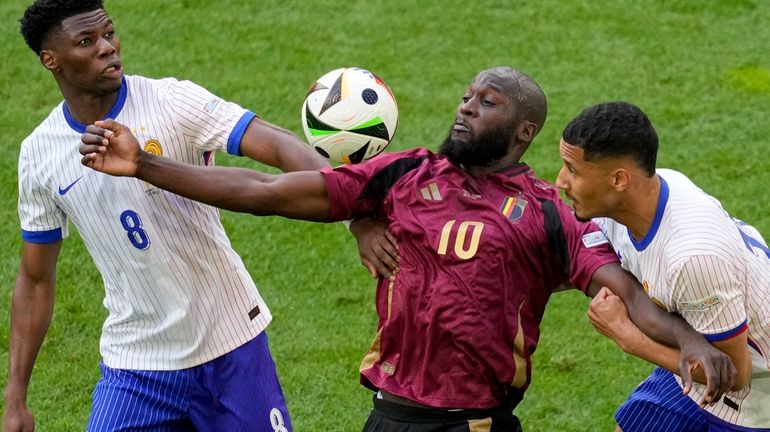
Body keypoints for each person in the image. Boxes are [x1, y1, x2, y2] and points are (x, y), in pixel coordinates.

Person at [79, 66, 735, 432]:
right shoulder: (404, 176)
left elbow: (622, 291)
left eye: (488, 102)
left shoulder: (546, 213)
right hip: (389, 421)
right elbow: (266, 188)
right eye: (467, 95)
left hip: (475, 426)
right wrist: (148, 169)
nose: (466, 107)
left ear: (524, 129)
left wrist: (691, 342)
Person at [4, 1, 394, 431]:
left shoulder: (171, 100)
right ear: (50, 60)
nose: (107, 48)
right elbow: (36, 278)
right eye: (86, 41)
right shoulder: (39, 153)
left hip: (231, 345)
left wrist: (355, 217)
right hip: (135, 364)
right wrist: (15, 397)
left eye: (109, 34)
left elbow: (281, 147)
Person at [555, 101, 770, 431]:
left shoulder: (692, 258)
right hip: (696, 361)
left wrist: (629, 338)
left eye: (573, 170)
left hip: (754, 398)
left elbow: (735, 375)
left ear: (619, 180)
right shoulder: (644, 196)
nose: (560, 181)